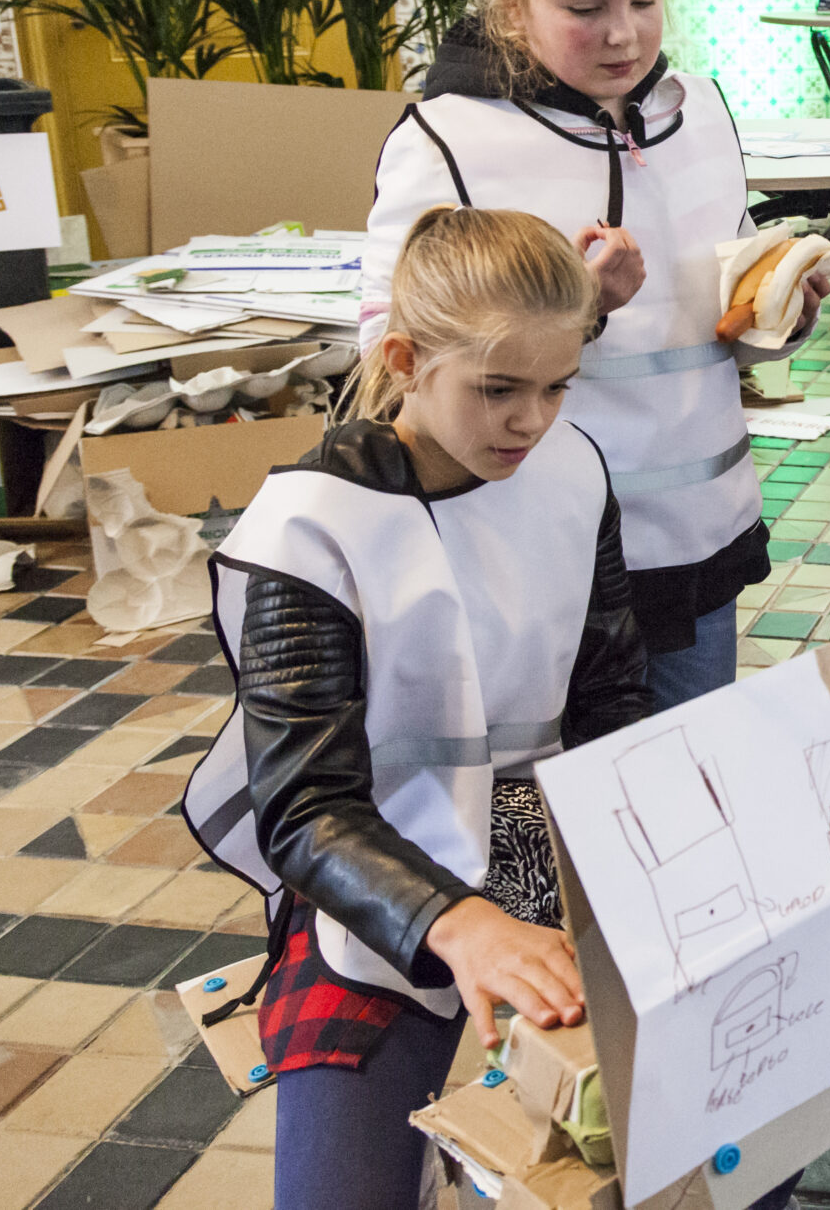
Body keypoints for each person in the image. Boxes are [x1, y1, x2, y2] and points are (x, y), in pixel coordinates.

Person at [181, 207, 654, 1210]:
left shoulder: (571, 471)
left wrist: (607, 882)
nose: (531, 422)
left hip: (543, 835)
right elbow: (304, 811)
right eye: (497, 390)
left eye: (557, 386)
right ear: (403, 358)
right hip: (379, 869)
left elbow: (612, 699)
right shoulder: (311, 524)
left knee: (681, 1149)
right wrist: (460, 922)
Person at [367, 0, 828, 712]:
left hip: (700, 536)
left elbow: (713, 314)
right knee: (555, 806)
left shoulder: (704, 115)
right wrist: (574, 310)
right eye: (585, 8)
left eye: (646, 0)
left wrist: (781, 313)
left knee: (684, 791)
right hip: (541, 547)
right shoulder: (450, 139)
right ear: (513, 5)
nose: (624, 33)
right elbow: (388, 356)